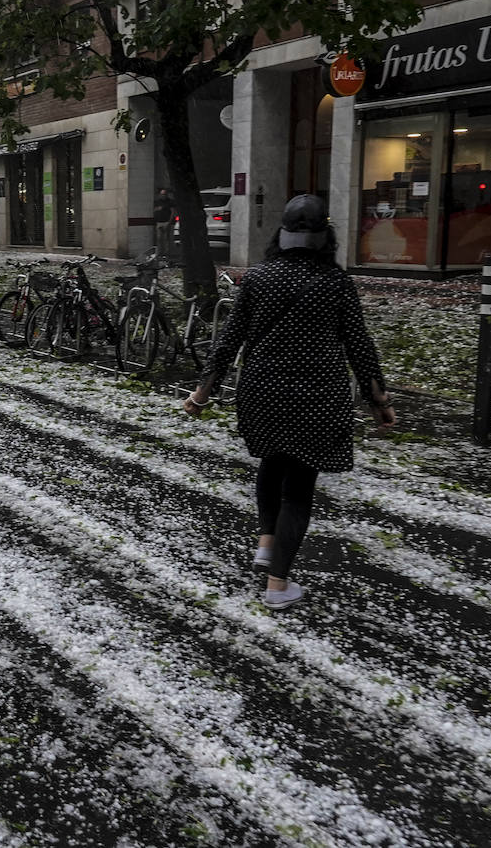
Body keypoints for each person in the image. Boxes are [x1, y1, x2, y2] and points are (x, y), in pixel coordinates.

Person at [183, 194, 396, 611]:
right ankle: (278, 586)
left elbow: (228, 341)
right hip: (317, 398)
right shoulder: (336, 284)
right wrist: (379, 399)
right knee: (297, 489)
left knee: (272, 461)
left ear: (281, 235)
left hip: (261, 393)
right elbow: (359, 347)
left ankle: (267, 544)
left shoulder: (258, 279)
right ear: (325, 237)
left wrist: (201, 393)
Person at [153, 188, 176, 262]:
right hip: (159, 221)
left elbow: (172, 212)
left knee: (166, 238)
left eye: (164, 194)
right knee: (159, 238)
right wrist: (157, 209)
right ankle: (159, 253)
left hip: (166, 221)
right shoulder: (157, 202)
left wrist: (169, 222)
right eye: (162, 194)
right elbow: (154, 210)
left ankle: (167, 253)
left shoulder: (169, 202)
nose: (163, 196)